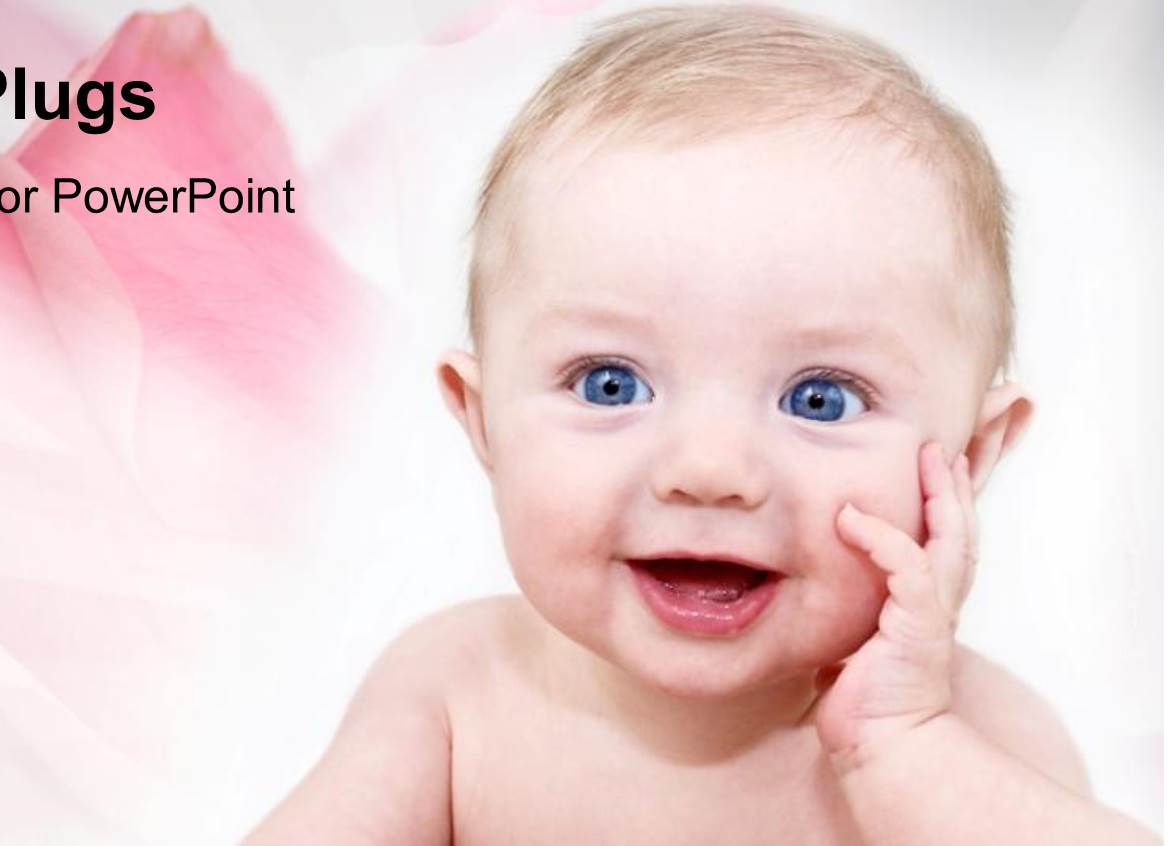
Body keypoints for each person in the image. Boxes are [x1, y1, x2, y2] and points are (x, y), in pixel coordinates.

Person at [244, 6, 1160, 843]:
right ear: (482, 423)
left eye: (821, 399)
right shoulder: (452, 696)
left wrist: (901, 747)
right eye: (609, 384)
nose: (709, 469)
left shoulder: (975, 742)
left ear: (968, 456)